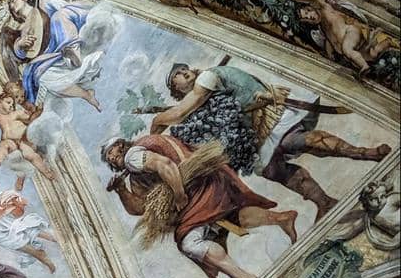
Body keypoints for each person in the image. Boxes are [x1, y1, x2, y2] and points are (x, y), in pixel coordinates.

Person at [154, 62, 389, 217]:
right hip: (255, 138)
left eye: (184, 69)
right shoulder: (200, 112)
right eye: (177, 76)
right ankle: (324, 202)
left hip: (269, 117)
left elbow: (178, 113)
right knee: (273, 171)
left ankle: (365, 153)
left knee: (297, 141)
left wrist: (156, 126)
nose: (184, 72)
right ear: (176, 89)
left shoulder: (206, 78)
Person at [101, 134, 297, 278]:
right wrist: (120, 190)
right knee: (232, 215)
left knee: (189, 242)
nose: (110, 158)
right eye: (107, 159)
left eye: (110, 152)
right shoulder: (136, 171)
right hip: (209, 180)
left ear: (120, 145)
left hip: (195, 189)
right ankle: (282, 219)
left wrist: (179, 195)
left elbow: (166, 165)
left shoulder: (133, 157)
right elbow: (141, 207)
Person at [0, 91, 56, 183]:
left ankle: (47, 173)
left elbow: (30, 119)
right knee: (3, 145)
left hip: (23, 139)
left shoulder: (16, 113)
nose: (12, 105)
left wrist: (38, 111)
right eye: (8, 102)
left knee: (31, 155)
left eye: (13, 103)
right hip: (9, 141)